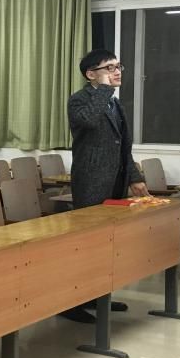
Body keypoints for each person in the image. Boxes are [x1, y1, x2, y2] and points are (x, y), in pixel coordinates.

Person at [63, 49, 148, 323]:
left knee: (106, 244)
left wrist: (135, 177)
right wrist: (103, 89)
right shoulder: (79, 99)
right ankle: (71, 304)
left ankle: (98, 297)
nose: (117, 72)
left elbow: (123, 147)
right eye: (109, 68)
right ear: (91, 74)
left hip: (116, 182)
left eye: (118, 66)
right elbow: (88, 120)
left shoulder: (114, 102)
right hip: (91, 181)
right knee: (86, 245)